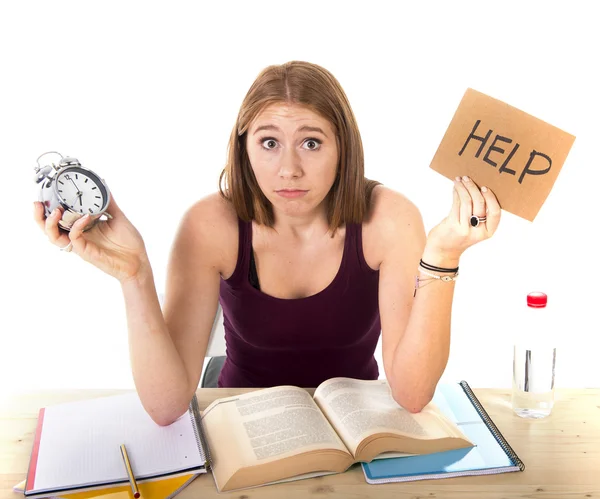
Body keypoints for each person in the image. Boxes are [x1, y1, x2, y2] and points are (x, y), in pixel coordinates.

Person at [33, 61, 501, 426]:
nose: (289, 169)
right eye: (269, 142)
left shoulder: (390, 219)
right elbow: (166, 406)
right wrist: (134, 276)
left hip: (358, 427)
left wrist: (443, 256)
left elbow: (413, 393)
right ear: (244, 145)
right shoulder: (209, 224)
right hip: (241, 420)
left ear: (344, 147)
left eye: (312, 143)